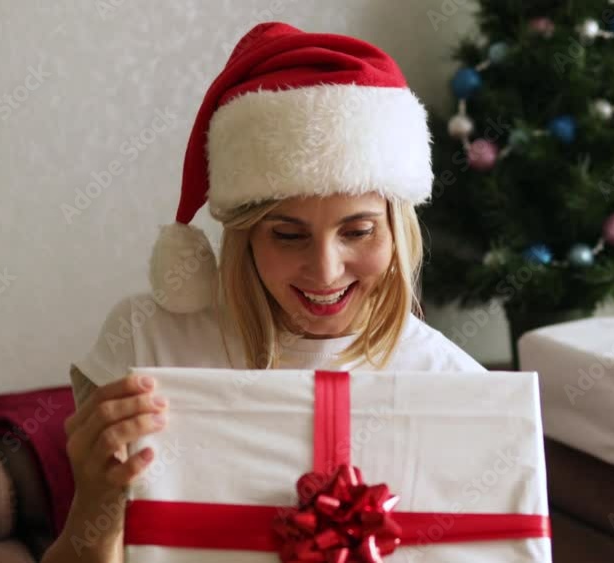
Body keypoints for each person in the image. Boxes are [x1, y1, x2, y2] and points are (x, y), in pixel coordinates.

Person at [41, 22, 485, 563]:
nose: (324, 271)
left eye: (358, 230)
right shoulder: (146, 344)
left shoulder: (458, 389)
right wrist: (96, 506)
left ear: (398, 232)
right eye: (288, 233)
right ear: (244, 236)